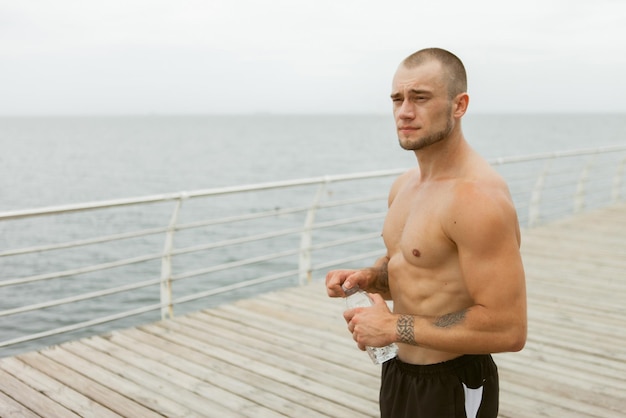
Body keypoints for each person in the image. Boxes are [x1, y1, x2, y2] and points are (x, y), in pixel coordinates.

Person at [325, 48, 527, 418]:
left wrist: (392, 326)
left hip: (454, 382)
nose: (404, 111)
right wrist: (369, 278)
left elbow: (509, 328)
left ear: (459, 105)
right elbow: (414, 268)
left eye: (420, 98)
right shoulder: (404, 186)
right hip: (400, 374)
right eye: (397, 99)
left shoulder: (477, 198)